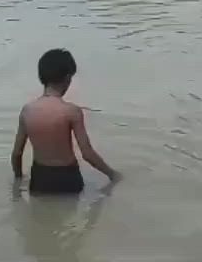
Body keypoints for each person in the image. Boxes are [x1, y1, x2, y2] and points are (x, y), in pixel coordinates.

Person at [11, 48, 121, 194]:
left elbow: (17, 153)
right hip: (68, 178)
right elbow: (87, 154)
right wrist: (113, 175)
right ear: (68, 78)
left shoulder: (27, 111)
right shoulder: (71, 111)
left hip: (40, 178)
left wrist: (18, 179)